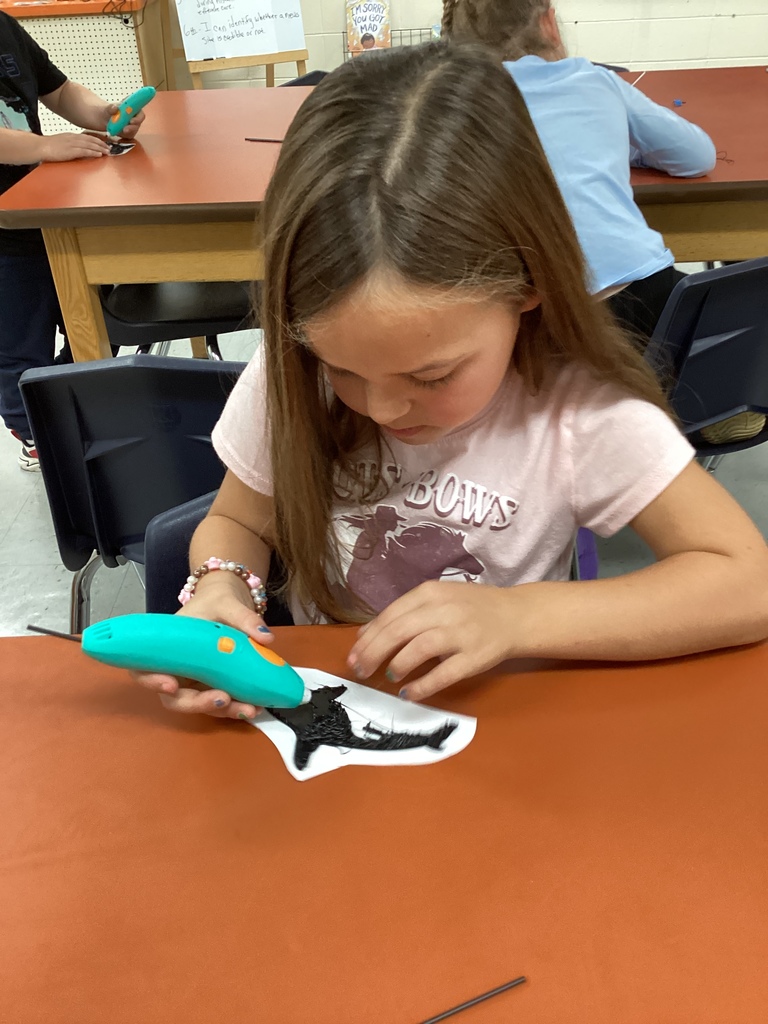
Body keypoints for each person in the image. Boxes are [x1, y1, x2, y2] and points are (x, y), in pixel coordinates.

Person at [133, 42, 768, 721]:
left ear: (529, 285)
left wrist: (518, 618)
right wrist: (224, 584)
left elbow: (747, 583)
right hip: (323, 714)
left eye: (432, 374)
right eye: (342, 369)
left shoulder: (576, 411)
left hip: (497, 731)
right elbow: (235, 519)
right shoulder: (293, 372)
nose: (382, 406)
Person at [440, 0, 716, 340]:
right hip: (640, 288)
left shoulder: (451, 106)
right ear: (549, 25)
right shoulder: (594, 79)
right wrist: (623, 149)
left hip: (530, 312)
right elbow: (697, 157)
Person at [0, 12, 145, 469]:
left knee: (96, 313)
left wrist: (103, 113)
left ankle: (67, 400)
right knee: (18, 346)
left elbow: (59, 90)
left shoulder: (5, 26)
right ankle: (34, 434)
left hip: (42, 208)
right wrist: (46, 147)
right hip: (4, 234)